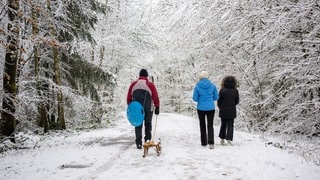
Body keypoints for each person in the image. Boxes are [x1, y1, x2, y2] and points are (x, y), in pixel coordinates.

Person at [127, 69, 160, 149]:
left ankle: (138, 143)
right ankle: (147, 140)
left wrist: (131, 107)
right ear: (147, 76)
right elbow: (155, 96)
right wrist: (157, 106)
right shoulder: (150, 85)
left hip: (137, 109)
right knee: (148, 124)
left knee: (138, 124)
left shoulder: (133, 84)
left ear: (139, 75)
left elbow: (129, 98)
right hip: (148, 108)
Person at [192, 71, 219, 149]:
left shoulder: (197, 86)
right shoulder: (212, 86)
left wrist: (201, 99)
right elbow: (216, 97)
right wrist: (210, 98)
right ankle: (211, 143)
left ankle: (204, 142)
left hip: (201, 108)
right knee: (210, 125)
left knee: (202, 124)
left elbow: (195, 98)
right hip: (211, 108)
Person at [218, 76, 239, 146]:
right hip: (231, 110)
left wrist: (220, 107)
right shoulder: (235, 91)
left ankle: (222, 139)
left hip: (223, 110)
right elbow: (237, 101)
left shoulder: (222, 90)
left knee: (223, 125)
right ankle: (229, 139)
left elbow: (219, 101)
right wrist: (232, 104)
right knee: (230, 125)